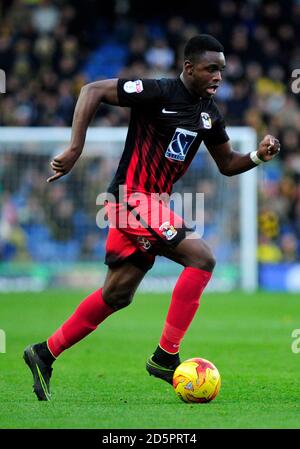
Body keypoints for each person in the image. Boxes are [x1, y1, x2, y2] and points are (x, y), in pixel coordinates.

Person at [23, 34, 280, 401]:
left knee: (117, 294)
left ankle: (44, 353)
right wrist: (76, 148)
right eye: (211, 68)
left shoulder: (208, 114)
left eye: (221, 70)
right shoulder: (157, 91)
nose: (218, 76)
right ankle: (165, 357)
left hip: (152, 205)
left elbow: (227, 164)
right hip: (130, 199)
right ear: (188, 67)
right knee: (202, 257)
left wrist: (258, 156)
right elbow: (91, 90)